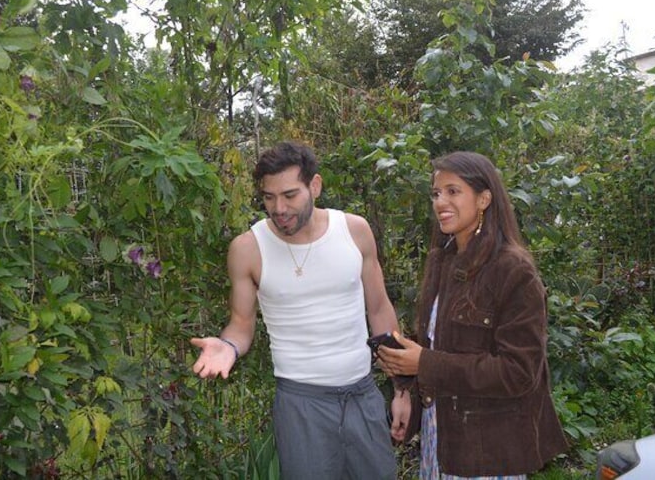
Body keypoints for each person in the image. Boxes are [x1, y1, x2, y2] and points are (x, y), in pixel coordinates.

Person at [190, 141, 404, 479]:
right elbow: (241, 325)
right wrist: (227, 346)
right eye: (269, 197)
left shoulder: (354, 231)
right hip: (300, 405)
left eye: (290, 195)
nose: (279, 208)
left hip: (363, 395)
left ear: (314, 186)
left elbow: (378, 311)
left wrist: (402, 388)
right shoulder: (248, 249)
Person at [376, 151, 568, 479]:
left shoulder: (513, 271)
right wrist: (405, 383)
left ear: (484, 199)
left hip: (486, 453)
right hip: (440, 442)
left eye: (453, 191)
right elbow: (440, 346)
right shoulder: (444, 261)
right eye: (436, 193)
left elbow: (519, 372)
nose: (440, 202)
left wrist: (423, 362)